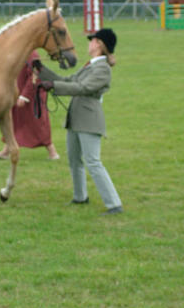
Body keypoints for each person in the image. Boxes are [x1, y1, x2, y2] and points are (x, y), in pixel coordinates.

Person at [37, 28, 123, 215]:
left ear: (100, 45)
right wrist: (42, 71)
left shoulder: (102, 69)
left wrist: (54, 86)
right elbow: (67, 80)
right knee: (74, 160)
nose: (89, 43)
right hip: (76, 118)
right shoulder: (90, 65)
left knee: (93, 162)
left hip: (89, 120)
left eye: (92, 40)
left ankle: (114, 204)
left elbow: (82, 88)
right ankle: (80, 197)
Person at [0, 50, 60, 160]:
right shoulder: (17, 51)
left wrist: (24, 96)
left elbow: (35, 76)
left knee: (38, 124)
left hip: (33, 95)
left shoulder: (33, 55)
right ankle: (6, 151)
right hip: (17, 92)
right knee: (13, 122)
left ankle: (52, 152)